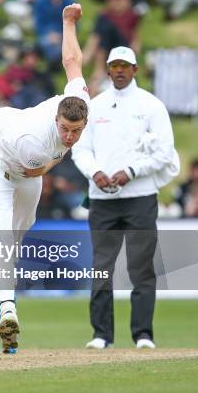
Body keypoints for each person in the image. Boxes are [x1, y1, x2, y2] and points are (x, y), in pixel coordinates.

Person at [0, 3, 90, 353]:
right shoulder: (35, 144)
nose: (70, 137)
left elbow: (72, 62)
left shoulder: (79, 100)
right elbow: (39, 168)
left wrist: (67, 22)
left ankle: (3, 283)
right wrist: (57, 156)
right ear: (57, 121)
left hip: (27, 169)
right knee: (1, 230)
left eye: (77, 131)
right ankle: (7, 308)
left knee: (22, 230)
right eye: (66, 130)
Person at [72, 46, 179, 350]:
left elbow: (164, 153)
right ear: (107, 70)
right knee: (102, 266)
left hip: (140, 197)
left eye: (125, 65)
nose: (119, 70)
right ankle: (101, 335)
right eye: (114, 65)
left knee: (141, 267)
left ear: (135, 69)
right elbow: (81, 149)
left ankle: (143, 334)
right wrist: (95, 173)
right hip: (102, 198)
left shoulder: (152, 105)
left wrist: (131, 171)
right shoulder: (95, 106)